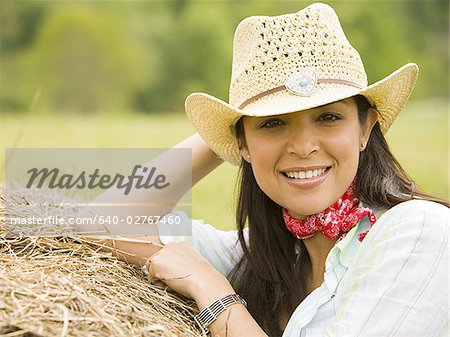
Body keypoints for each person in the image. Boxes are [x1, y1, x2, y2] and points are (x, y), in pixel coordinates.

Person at [85, 3, 449, 337]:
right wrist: (228, 131)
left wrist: (213, 292)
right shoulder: (261, 258)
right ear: (242, 144)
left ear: (365, 128)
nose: (304, 146)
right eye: (273, 123)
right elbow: (97, 221)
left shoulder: (420, 231)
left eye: (328, 117)